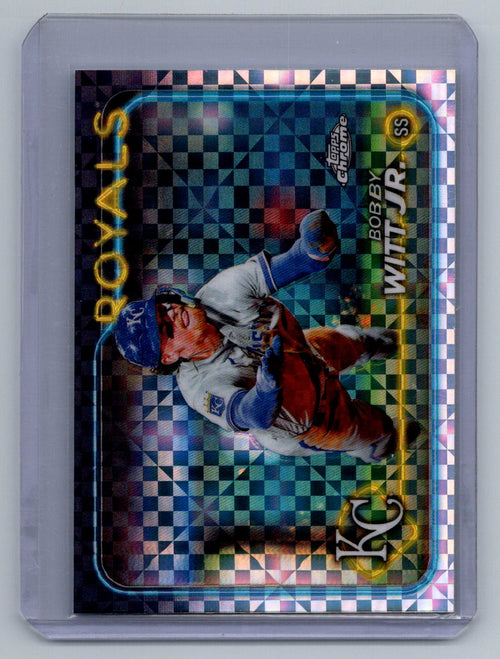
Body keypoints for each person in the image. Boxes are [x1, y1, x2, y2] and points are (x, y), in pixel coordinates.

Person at [114, 210, 400, 462]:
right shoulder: (199, 387)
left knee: (359, 342)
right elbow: (251, 415)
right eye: (165, 328)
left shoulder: (221, 292)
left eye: (164, 309)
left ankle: (379, 343)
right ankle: (379, 446)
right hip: (307, 419)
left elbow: (299, 260)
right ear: (169, 356)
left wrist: (316, 247)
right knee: (378, 432)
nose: (173, 315)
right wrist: (265, 389)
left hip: (302, 352)